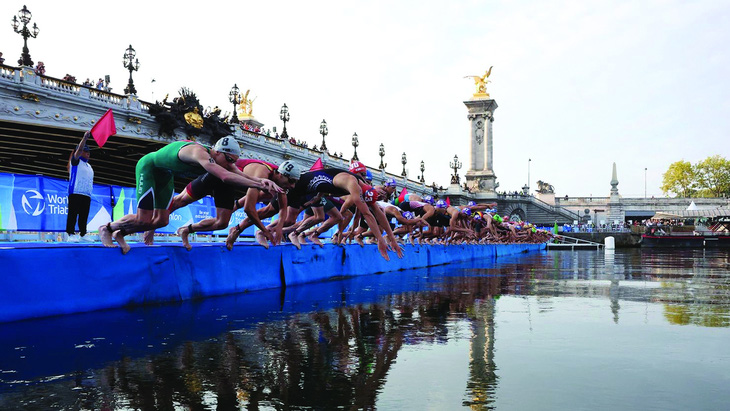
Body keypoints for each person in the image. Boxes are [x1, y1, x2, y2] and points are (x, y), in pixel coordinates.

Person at [99, 137, 282, 254]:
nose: (230, 164)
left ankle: (120, 232)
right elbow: (225, 176)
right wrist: (258, 183)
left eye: (233, 161)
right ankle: (107, 228)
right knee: (143, 219)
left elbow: (238, 173)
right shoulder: (199, 152)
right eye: (228, 160)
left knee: (161, 221)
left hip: (165, 175)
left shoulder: (222, 159)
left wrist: (262, 183)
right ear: (217, 152)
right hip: (149, 169)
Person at [66, 131, 94, 242]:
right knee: (73, 214)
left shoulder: (89, 166)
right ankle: (70, 234)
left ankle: (83, 234)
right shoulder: (75, 161)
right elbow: (80, 149)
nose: (88, 153)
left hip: (86, 194)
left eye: (89, 152)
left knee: (84, 215)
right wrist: (85, 138)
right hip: (76, 192)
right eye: (85, 151)